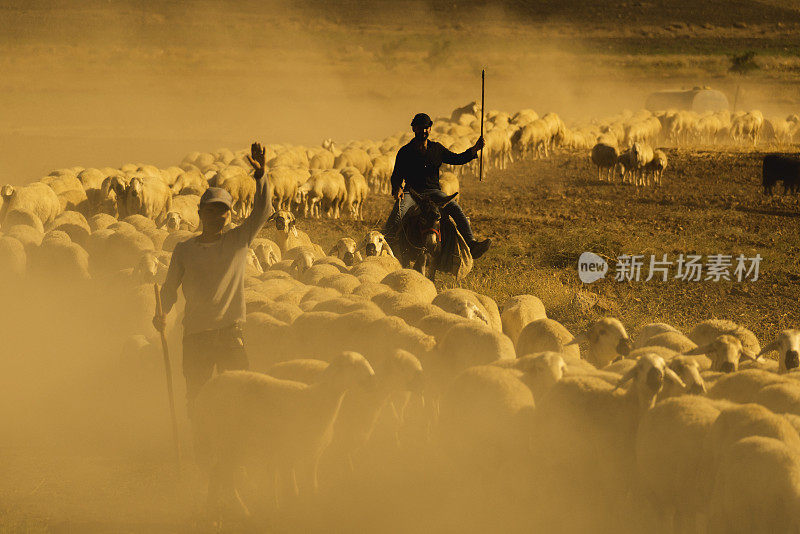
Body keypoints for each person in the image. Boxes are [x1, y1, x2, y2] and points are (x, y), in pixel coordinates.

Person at [152, 142, 273, 418]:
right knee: (197, 397)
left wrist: (262, 176)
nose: (216, 215)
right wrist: (162, 314)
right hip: (196, 336)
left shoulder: (237, 241)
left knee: (240, 395)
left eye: (222, 211)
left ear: (230, 215)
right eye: (210, 210)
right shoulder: (184, 250)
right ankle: (202, 447)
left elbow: (263, 211)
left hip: (230, 333)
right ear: (200, 213)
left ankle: (234, 449)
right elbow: (169, 290)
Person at [383, 112, 491, 259]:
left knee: (456, 208)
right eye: (420, 128)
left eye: (427, 128)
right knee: (398, 213)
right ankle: (385, 244)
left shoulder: (437, 149)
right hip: (412, 193)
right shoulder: (405, 152)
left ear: (430, 129)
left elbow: (457, 159)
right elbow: (396, 176)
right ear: (414, 129)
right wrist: (398, 189)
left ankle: (471, 244)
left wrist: (475, 149)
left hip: (434, 192)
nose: (424, 131)